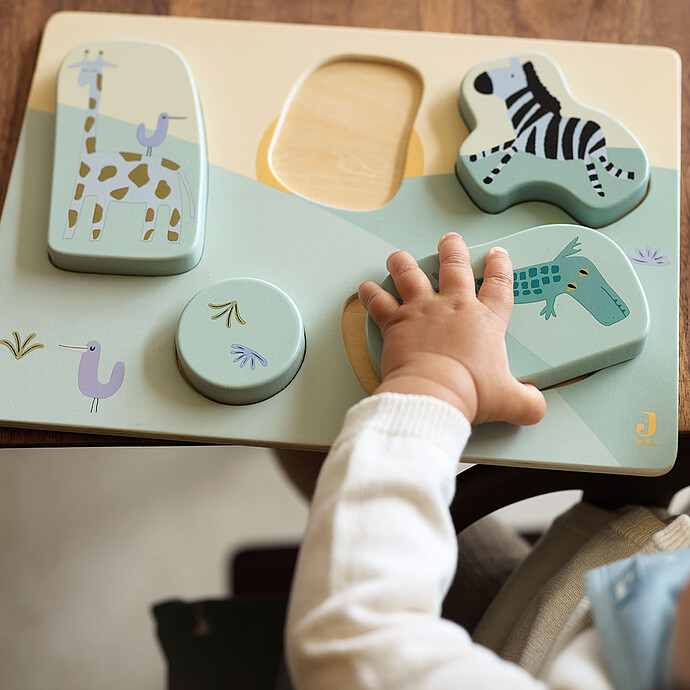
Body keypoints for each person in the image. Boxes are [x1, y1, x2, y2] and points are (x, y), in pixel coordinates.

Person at [283, 232, 690, 690]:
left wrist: (436, 378)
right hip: (604, 569)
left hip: (515, 641)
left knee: (306, 421)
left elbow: (353, 648)